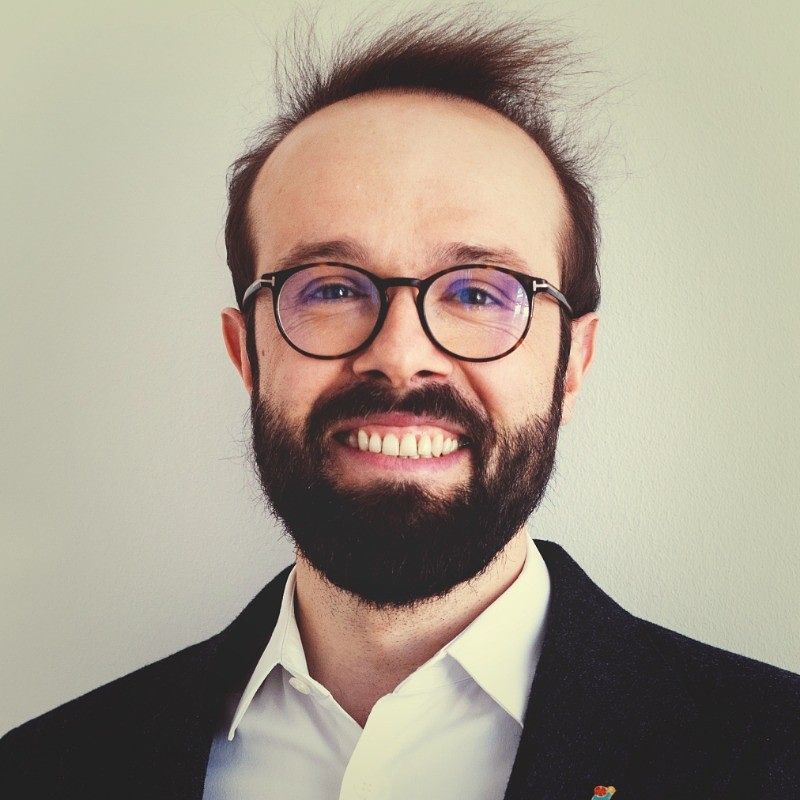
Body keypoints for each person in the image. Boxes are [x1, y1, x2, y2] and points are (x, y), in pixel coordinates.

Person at [2, 7, 798, 799]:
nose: (400, 353)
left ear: (572, 362)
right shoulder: (41, 772)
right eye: (330, 288)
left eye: (480, 292)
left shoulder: (776, 756)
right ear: (247, 353)